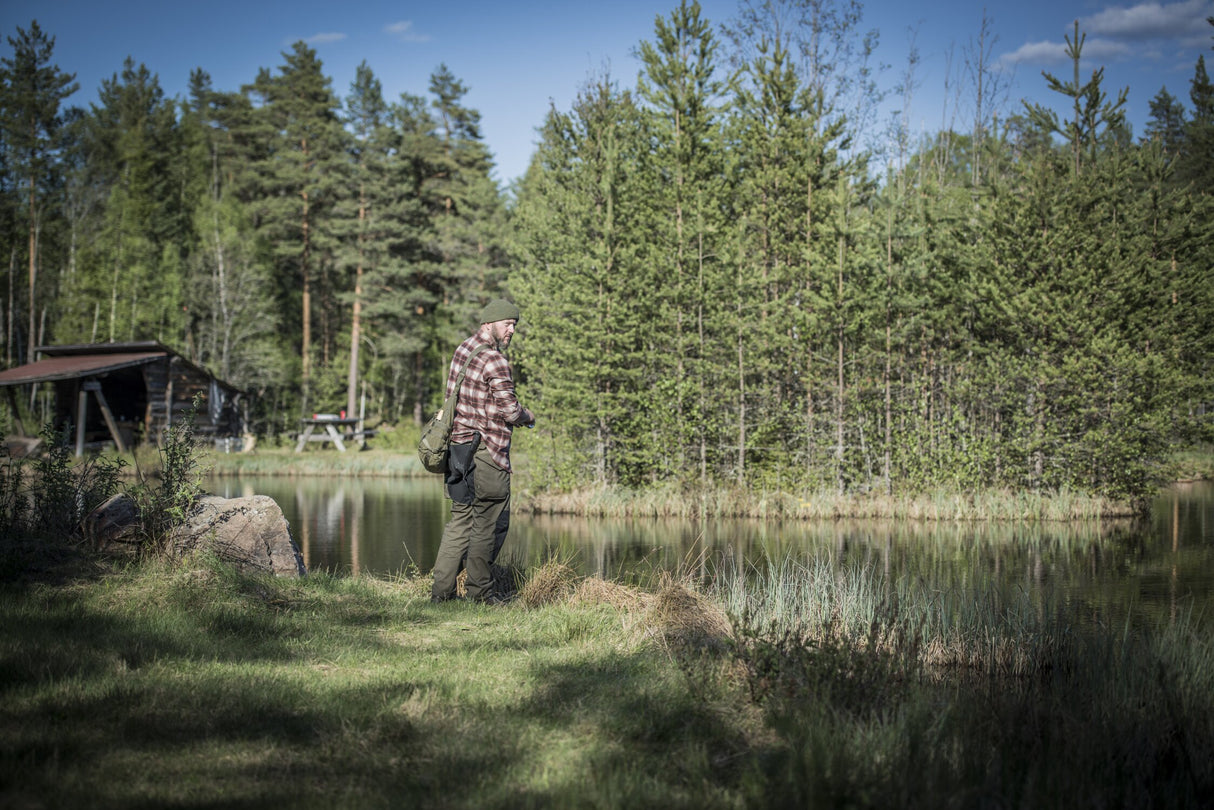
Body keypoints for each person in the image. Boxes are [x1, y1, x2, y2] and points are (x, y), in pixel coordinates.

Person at [430, 298, 535, 603]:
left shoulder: (463, 349)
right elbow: (510, 411)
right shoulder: (496, 361)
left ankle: (441, 594)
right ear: (489, 323)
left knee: (460, 521)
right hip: (487, 451)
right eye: (507, 323)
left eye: (514, 324)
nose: (511, 329)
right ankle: (480, 595)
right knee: (488, 523)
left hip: (457, 449)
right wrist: (528, 416)